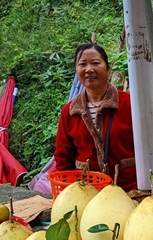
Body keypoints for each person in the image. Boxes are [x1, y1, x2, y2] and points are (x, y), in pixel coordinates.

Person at [54, 43, 137, 191]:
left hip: (129, 190)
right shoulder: (70, 112)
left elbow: (151, 147)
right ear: (76, 70)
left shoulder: (130, 104)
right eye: (82, 64)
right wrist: (69, 191)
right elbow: (63, 158)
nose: (89, 69)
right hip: (86, 192)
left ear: (108, 68)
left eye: (95, 63)